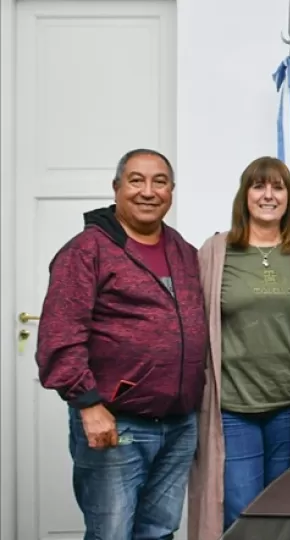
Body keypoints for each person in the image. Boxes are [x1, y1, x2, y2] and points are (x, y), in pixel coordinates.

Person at [35, 149, 208, 540]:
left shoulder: (182, 250)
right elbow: (60, 334)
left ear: (171, 191)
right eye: (136, 180)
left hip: (179, 424)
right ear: (116, 188)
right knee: (111, 533)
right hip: (117, 422)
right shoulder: (87, 250)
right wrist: (88, 404)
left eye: (159, 182)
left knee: (159, 531)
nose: (148, 191)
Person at [188, 157, 290, 538]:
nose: (268, 195)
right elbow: (198, 318)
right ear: (244, 195)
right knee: (242, 511)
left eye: (278, 187)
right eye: (259, 186)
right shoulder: (215, 251)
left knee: (288, 509)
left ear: (289, 198)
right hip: (234, 408)